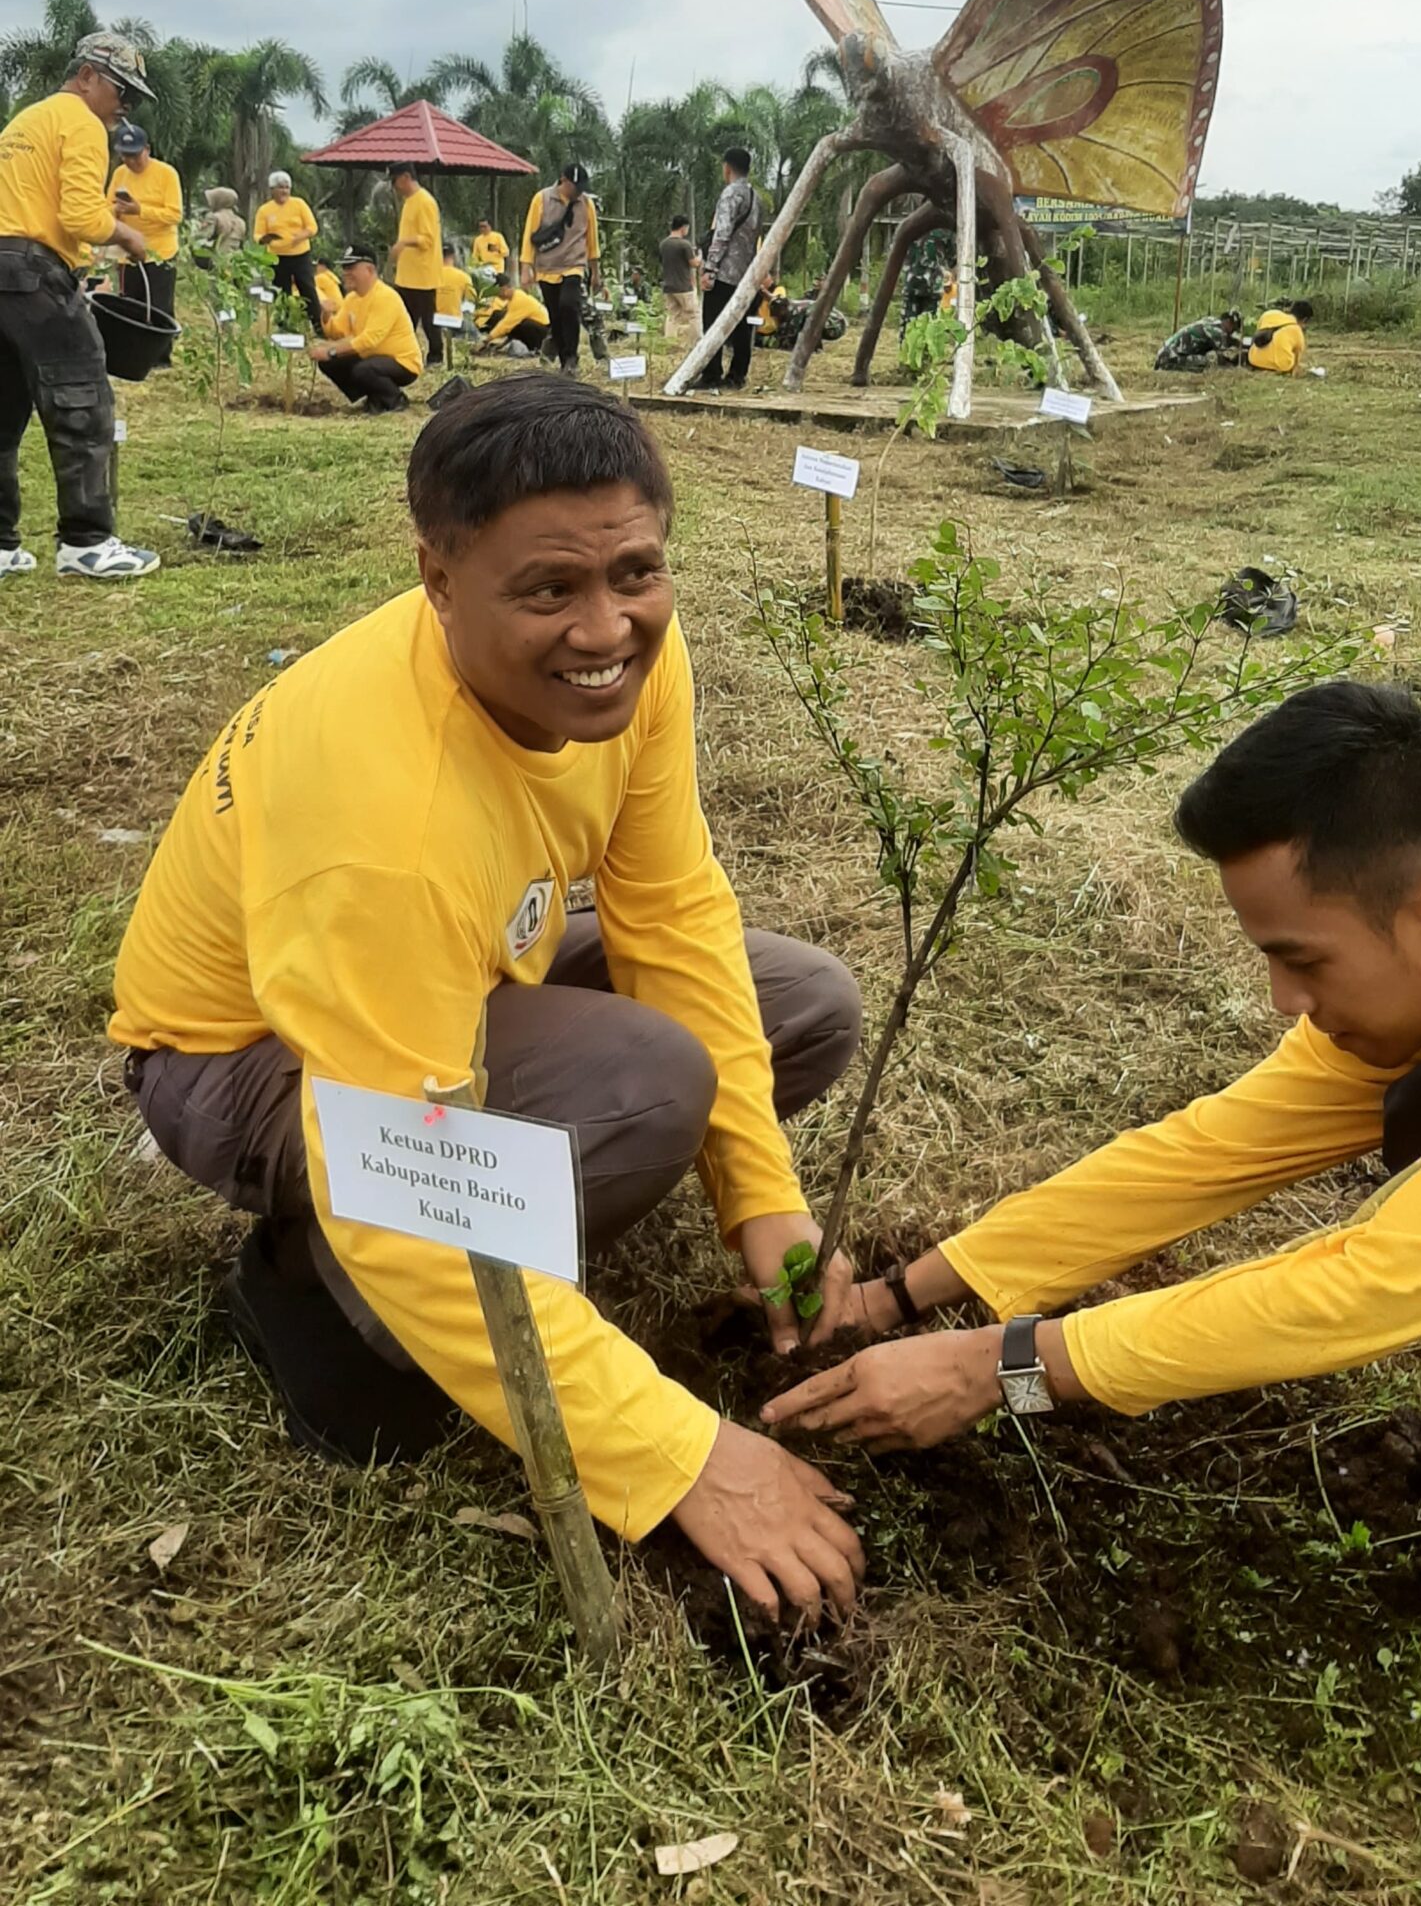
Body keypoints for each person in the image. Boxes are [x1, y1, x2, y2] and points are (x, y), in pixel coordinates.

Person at [112, 378, 866, 1620]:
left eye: (636, 571)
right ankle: (318, 1305)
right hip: (238, 1053)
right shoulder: (380, 819)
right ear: (438, 574)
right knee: (646, 1084)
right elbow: (400, 1172)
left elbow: (672, 914)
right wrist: (682, 1456)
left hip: (449, 967)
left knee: (805, 1004)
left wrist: (763, 1198)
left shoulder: (630, 663)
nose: (605, 626)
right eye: (549, 590)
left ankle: (483, 1238)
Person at [767, 681, 1421, 1463]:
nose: (1283, 1001)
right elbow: (1199, 1158)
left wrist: (1004, 1369)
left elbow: (1368, 1284)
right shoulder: (1387, 1007)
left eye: (1303, 960)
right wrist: (898, 1297)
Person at [0, 30, 160, 580]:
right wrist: (125, 234)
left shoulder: (28, 120)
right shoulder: (84, 125)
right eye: (122, 91)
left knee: (1, 412)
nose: (124, 106)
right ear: (88, 75)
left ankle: (0, 544)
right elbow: (79, 219)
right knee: (82, 401)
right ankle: (86, 544)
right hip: (37, 273)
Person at [308, 244, 422, 412]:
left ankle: (395, 399)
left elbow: (369, 340)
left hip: (402, 363)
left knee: (363, 369)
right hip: (371, 357)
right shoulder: (352, 298)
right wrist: (326, 315)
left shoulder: (385, 297)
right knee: (329, 363)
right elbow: (336, 332)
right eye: (344, 267)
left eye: (351, 267)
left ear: (369, 270)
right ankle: (374, 396)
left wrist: (331, 351)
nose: (346, 272)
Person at [107, 119, 184, 365]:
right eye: (125, 156)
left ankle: (161, 357)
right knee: (131, 302)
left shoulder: (166, 174)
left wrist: (140, 209)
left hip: (160, 251)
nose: (130, 161)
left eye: (135, 155)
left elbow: (174, 215)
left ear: (147, 150)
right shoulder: (120, 174)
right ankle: (134, 354)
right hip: (128, 251)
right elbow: (108, 205)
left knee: (159, 305)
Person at [519, 164, 600, 376]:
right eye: (576, 187)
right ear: (564, 181)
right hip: (546, 268)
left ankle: (571, 358)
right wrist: (526, 267)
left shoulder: (586, 204)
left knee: (568, 306)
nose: (579, 191)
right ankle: (563, 358)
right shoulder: (542, 199)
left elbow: (592, 239)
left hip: (574, 266)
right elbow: (530, 234)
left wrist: (595, 271)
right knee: (555, 316)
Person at [699, 148, 762, 391]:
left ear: (727, 167)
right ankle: (737, 375)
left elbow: (722, 234)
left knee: (713, 323)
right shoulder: (756, 198)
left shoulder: (730, 195)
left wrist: (710, 268)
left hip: (725, 271)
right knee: (742, 326)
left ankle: (711, 374)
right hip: (748, 274)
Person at [387, 166, 444, 366]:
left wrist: (403, 243)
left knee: (428, 319)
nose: (394, 187)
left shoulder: (425, 202)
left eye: (394, 181)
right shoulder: (409, 202)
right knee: (404, 318)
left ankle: (436, 355)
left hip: (423, 274)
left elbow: (427, 239)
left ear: (405, 177)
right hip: (407, 273)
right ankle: (404, 354)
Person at [254, 172, 322, 332]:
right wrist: (265, 239)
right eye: (280, 188)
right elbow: (257, 234)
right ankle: (285, 328)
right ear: (272, 190)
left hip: (301, 256)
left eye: (287, 188)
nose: (284, 191)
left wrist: (301, 236)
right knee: (281, 292)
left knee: (307, 289)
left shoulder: (299, 204)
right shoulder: (265, 210)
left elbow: (312, 227)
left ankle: (318, 327)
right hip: (277, 258)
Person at [474, 274, 549, 356]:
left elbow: (506, 324)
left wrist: (486, 340)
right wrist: (501, 345)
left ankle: (537, 348)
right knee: (509, 320)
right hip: (541, 329)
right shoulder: (514, 298)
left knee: (524, 324)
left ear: (504, 289)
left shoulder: (518, 300)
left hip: (543, 331)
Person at [1155, 309, 1243, 374]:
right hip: (1170, 357)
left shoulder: (1210, 320)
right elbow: (1222, 356)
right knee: (1209, 362)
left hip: (1164, 353)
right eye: (1233, 328)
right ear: (1228, 322)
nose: (1232, 332)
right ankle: (1168, 368)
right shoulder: (1216, 332)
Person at [659, 213, 701, 348]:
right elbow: (694, 263)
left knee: (673, 316)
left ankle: (669, 343)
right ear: (683, 228)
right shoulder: (684, 244)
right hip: (684, 286)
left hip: (668, 286)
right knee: (694, 314)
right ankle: (696, 343)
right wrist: (699, 257)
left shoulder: (664, 244)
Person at [1247, 298, 1313, 375]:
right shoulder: (1297, 331)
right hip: (1281, 366)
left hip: (1254, 360)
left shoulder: (1268, 314)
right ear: (1304, 320)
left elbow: (1257, 333)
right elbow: (1296, 362)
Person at [195, 187, 247, 263]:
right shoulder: (241, 221)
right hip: (234, 260)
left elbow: (202, 238)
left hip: (216, 260)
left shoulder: (213, 217)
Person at [435, 243, 476, 323]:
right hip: (455, 321)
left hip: (434, 321)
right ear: (454, 256)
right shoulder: (464, 277)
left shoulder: (431, 276)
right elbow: (471, 300)